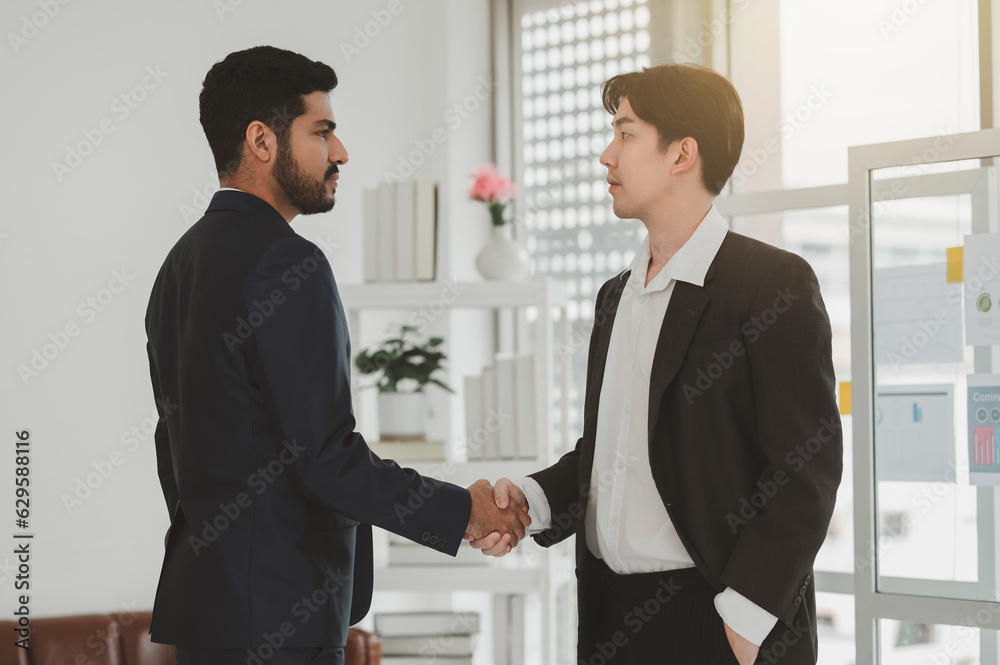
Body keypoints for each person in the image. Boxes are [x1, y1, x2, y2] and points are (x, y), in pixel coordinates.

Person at [144, 45, 528, 665]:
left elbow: (174, 449)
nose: (341, 152)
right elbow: (324, 459)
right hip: (278, 624)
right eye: (322, 132)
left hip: (207, 618)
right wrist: (463, 511)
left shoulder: (178, 266)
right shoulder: (288, 262)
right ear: (262, 141)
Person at [468, 63, 843, 665]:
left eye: (625, 134)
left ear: (681, 154)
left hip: (716, 621)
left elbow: (808, 471)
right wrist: (531, 502)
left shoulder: (771, 283)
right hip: (611, 618)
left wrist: (743, 621)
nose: (604, 156)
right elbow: (613, 450)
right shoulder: (617, 295)